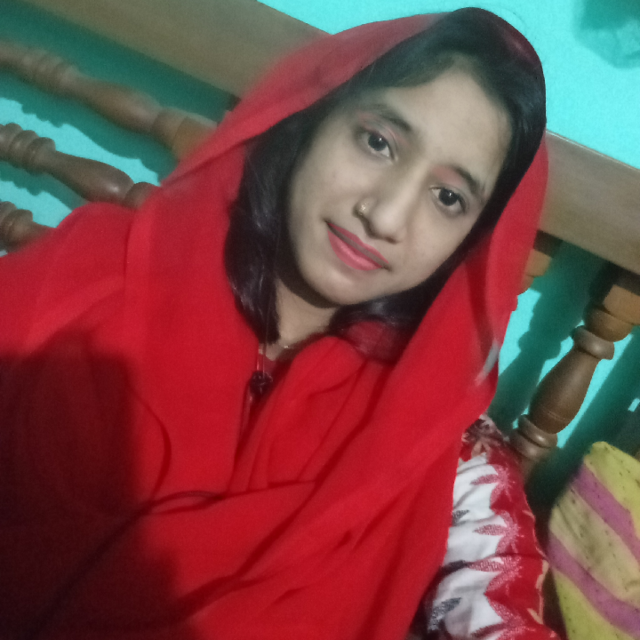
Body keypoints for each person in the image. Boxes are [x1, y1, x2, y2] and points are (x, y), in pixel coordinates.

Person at [0, 8, 551, 640]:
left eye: (448, 197)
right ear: (312, 119)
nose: (386, 216)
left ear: (471, 242)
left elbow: (501, 607)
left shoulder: (441, 449)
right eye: (378, 142)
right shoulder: (90, 273)